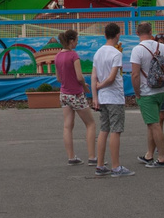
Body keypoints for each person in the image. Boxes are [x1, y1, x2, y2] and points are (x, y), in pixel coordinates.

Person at [130, 21, 164, 167]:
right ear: (151, 32)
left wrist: (137, 93)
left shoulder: (137, 50)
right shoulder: (162, 46)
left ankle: (162, 157)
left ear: (137, 33)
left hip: (147, 92)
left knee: (155, 124)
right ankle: (149, 154)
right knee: (152, 124)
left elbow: (134, 75)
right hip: (161, 90)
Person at [91, 22, 133, 177]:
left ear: (104, 35)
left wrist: (95, 95)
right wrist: (101, 86)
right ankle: (116, 166)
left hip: (102, 98)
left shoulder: (98, 53)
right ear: (118, 35)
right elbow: (112, 77)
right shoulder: (116, 54)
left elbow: (94, 76)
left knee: (104, 130)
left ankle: (100, 165)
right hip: (114, 96)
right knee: (116, 130)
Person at [54, 29, 98, 165]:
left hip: (64, 94)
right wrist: (85, 87)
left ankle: (71, 157)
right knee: (90, 124)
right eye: (77, 40)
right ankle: (92, 157)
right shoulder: (74, 56)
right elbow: (79, 77)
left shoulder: (57, 56)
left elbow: (58, 78)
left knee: (67, 126)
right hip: (76, 94)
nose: (77, 43)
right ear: (71, 41)